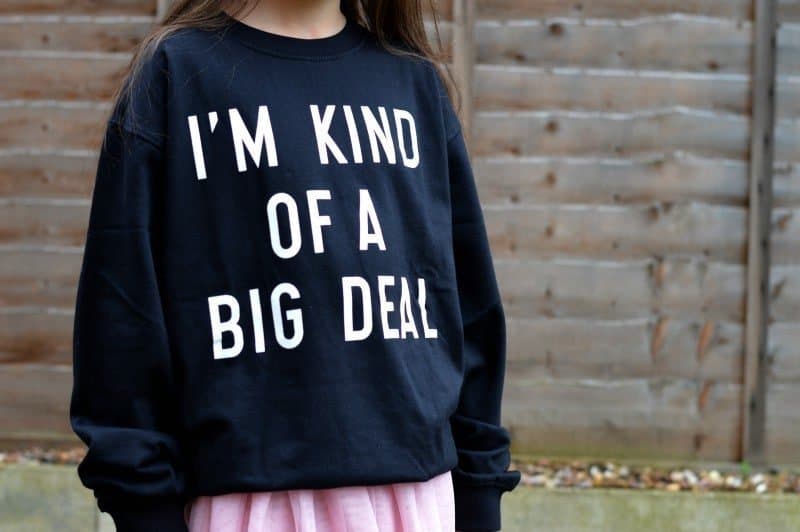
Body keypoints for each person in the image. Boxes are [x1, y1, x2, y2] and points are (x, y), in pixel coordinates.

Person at [69, 0, 521, 531]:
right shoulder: (175, 75)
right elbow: (121, 327)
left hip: (417, 503)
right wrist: (146, 508)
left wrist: (479, 497)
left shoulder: (413, 84)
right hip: (245, 504)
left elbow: (467, 315)